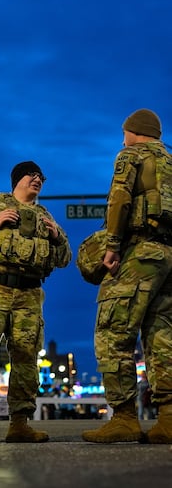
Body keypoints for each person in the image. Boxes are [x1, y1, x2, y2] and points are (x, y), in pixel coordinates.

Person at [0, 161, 71, 443]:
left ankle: (19, 423)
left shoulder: (46, 217)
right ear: (18, 179)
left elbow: (65, 258)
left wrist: (56, 236)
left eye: (41, 177)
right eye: (32, 175)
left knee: (26, 359)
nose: (38, 180)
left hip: (29, 295)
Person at [81, 109, 172, 444]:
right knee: (162, 337)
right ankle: (168, 418)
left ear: (136, 132)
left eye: (125, 132)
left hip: (140, 252)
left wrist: (113, 245)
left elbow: (119, 200)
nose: (122, 138)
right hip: (168, 257)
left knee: (112, 331)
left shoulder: (131, 156)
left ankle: (123, 418)